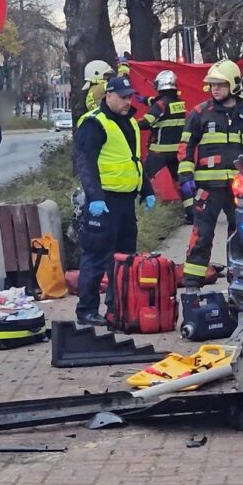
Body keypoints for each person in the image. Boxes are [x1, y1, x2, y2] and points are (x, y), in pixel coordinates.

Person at [74, 75, 156, 326]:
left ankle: (117, 308)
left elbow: (134, 160)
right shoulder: (94, 124)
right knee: (96, 257)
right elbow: (85, 164)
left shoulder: (129, 121)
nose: (126, 101)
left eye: (129, 96)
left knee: (124, 259)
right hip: (103, 203)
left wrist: (146, 188)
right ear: (108, 95)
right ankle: (86, 311)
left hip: (125, 202)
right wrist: (95, 198)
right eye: (122, 97)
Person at [178, 59, 243, 293]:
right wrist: (186, 177)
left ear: (234, 85)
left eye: (220, 84)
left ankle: (238, 284)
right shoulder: (199, 113)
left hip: (240, 189)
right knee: (201, 235)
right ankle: (192, 287)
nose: (215, 89)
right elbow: (185, 146)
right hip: (208, 187)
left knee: (240, 236)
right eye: (213, 84)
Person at [140, 70, 193, 222]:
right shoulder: (179, 104)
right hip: (176, 152)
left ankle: (143, 212)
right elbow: (159, 103)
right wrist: (144, 99)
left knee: (143, 180)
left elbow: (147, 122)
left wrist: (131, 123)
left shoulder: (161, 104)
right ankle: (191, 214)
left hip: (159, 151)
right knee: (181, 181)